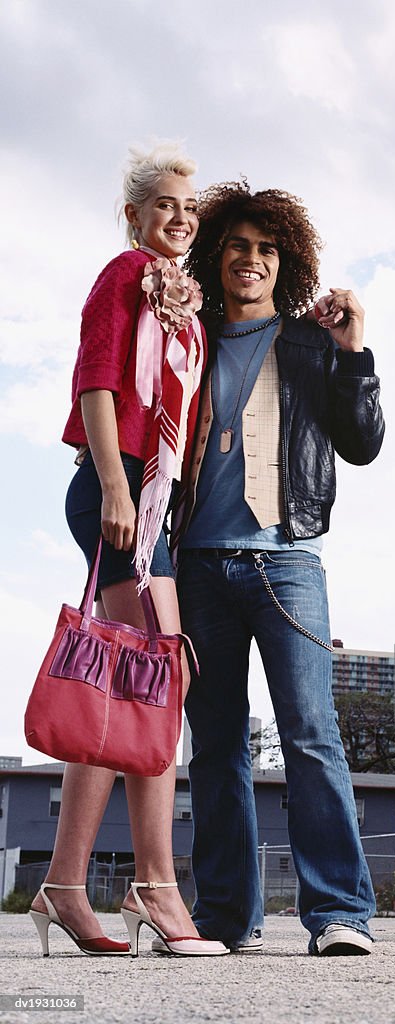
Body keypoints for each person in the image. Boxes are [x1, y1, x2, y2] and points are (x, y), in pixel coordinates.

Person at [173, 182, 383, 956]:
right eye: (238, 245)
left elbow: (361, 443)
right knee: (216, 743)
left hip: (287, 563)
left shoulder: (309, 342)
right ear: (215, 254)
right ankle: (226, 917)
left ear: (283, 263)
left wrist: (355, 349)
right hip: (197, 564)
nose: (251, 259)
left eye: (266, 249)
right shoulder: (186, 337)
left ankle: (339, 915)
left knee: (311, 735)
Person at [32, 143, 228, 958]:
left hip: (156, 506)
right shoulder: (124, 274)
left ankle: (65, 886)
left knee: (134, 683)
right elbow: (98, 381)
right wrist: (115, 484)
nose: (180, 219)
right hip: (118, 497)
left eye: (190, 209)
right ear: (135, 216)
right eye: (166, 206)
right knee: (160, 673)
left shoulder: (186, 303)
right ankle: (154, 885)